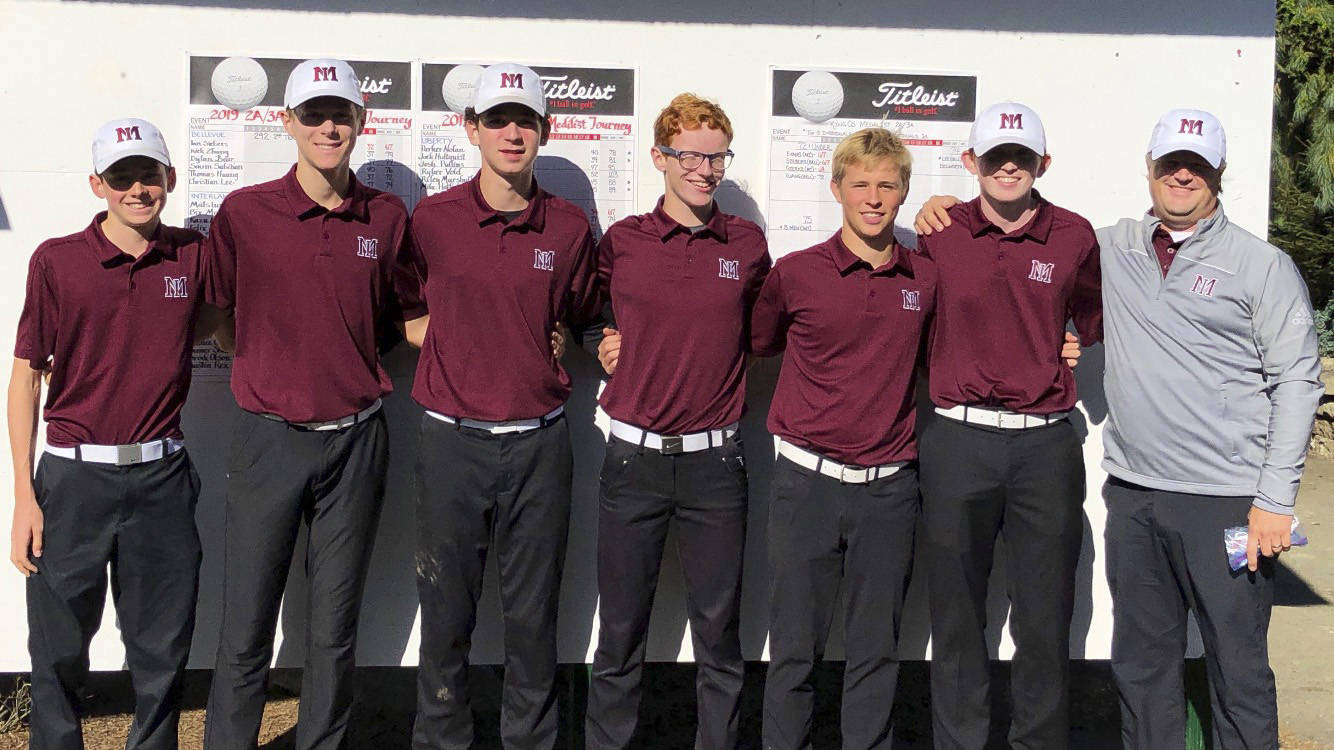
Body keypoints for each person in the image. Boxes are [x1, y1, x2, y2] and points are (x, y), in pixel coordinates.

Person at [201, 58, 422, 750]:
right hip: (269, 439)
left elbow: (409, 323)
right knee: (245, 626)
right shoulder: (245, 213)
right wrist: (274, 365)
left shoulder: (386, 216)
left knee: (334, 628)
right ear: (286, 122)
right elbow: (217, 316)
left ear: (362, 122)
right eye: (315, 115)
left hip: (356, 442)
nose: (329, 127)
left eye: (342, 115)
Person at [10, 117, 226, 749]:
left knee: (162, 649)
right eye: (122, 177)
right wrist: (24, 496)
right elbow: (25, 380)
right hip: (73, 479)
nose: (137, 189)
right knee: (58, 648)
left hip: (162, 477)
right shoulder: (57, 261)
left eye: (149, 176)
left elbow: (236, 329)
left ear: (170, 180)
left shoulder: (193, 254)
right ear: (97, 184)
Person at [402, 62, 600, 750]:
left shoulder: (571, 228)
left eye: (525, 121)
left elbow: (580, 316)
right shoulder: (431, 220)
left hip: (539, 445)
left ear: (545, 131)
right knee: (445, 613)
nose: (512, 134)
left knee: (533, 618)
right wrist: (443, 336)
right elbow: (400, 305)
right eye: (497, 121)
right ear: (472, 130)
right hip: (451, 442)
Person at [913, 102, 1102, 750]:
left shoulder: (1075, 236)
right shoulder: (937, 232)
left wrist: (1071, 337)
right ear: (972, 163)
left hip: (1044, 445)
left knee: (1044, 621)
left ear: (1043, 164)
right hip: (957, 441)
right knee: (957, 619)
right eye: (995, 156)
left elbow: (1094, 317)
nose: (1009, 166)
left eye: (1021, 156)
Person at [585, 93, 771, 750]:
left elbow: (774, 328)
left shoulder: (746, 245)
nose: (706, 169)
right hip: (632, 461)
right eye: (692, 154)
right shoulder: (624, 242)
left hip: (715, 466)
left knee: (719, 637)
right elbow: (584, 312)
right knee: (620, 633)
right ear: (661, 157)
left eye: (717, 156)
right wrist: (595, 340)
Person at [749, 127, 935, 749]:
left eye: (888, 184)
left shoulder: (925, 281)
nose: (874, 197)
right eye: (861, 184)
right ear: (837, 190)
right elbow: (755, 343)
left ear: (905, 191)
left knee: (875, 652)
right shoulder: (795, 274)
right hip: (806, 484)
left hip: (889, 491)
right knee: (794, 652)